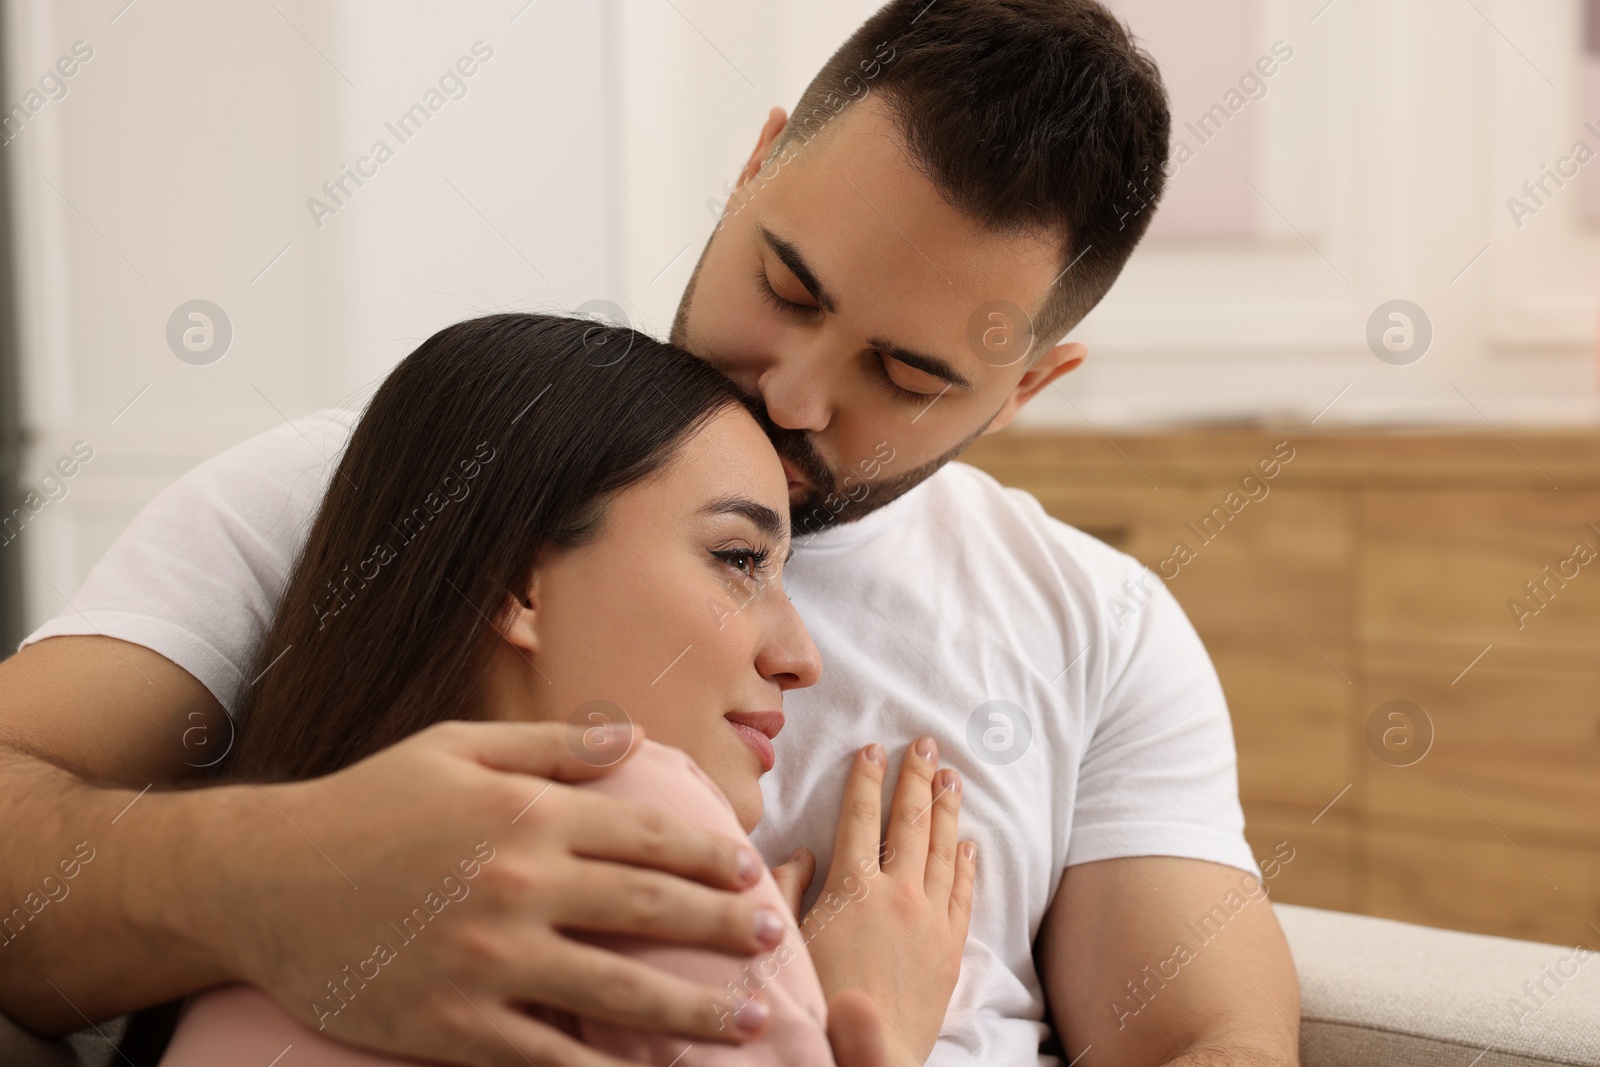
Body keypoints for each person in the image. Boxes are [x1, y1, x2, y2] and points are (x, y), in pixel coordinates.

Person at [0, 2, 1300, 1065]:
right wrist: (278, 872)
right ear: (753, 166)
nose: (792, 393)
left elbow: (1211, 1037)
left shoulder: (1102, 630)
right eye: (786, 284)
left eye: (903, 377)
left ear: (1024, 390)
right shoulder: (375, 488)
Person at [146, 313, 973, 1067]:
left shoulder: (266, 922)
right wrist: (877, 1032)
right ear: (517, 583)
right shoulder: (629, 812)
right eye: (739, 558)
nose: (800, 656)